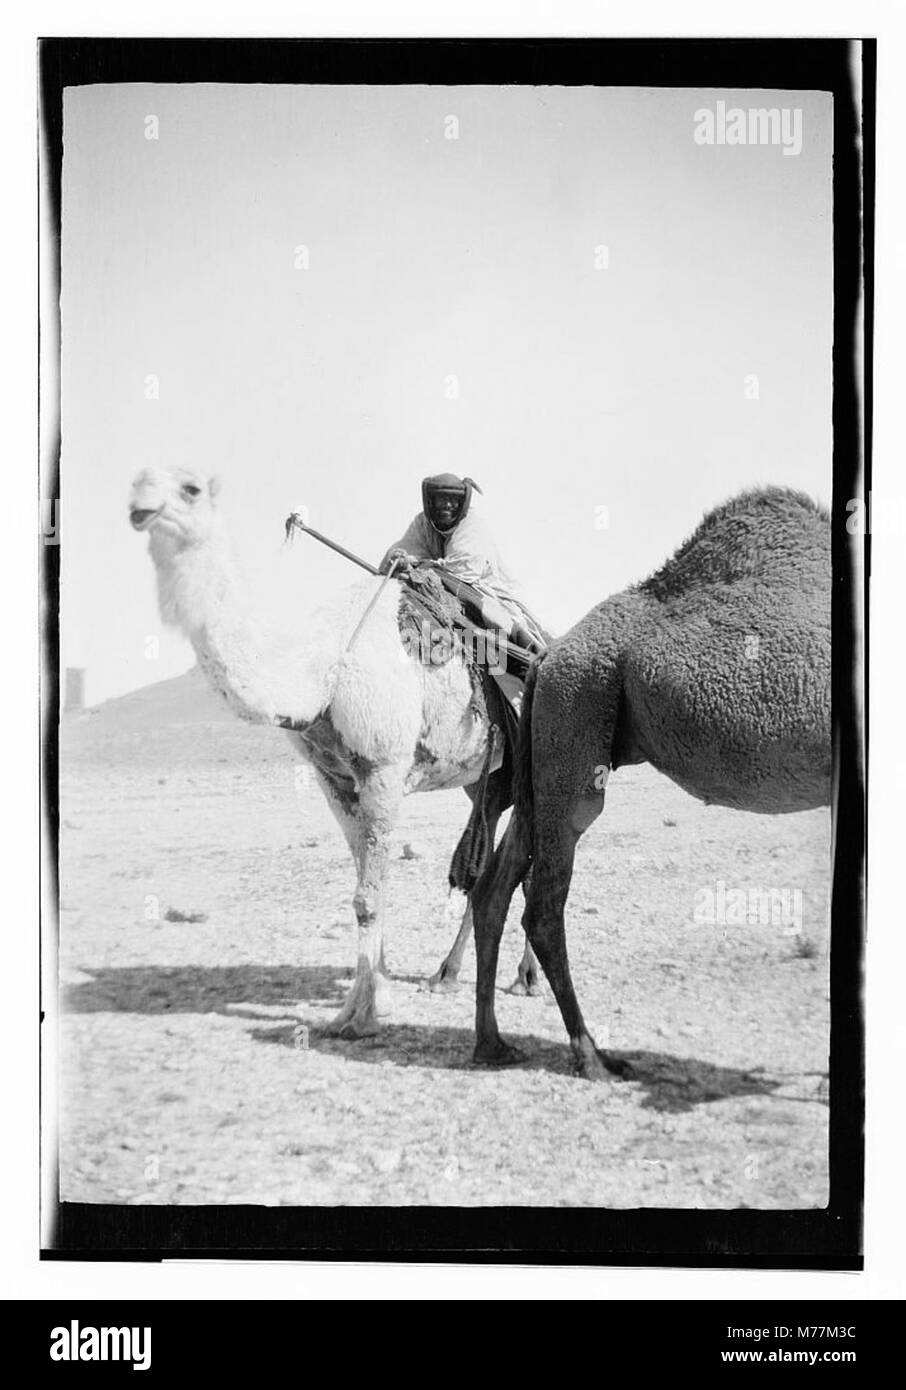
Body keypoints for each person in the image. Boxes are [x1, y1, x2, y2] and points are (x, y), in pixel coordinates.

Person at [379, 473, 549, 659]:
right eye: (442, 499)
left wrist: (417, 566)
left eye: (453, 500)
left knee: (502, 626)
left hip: (482, 592)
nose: (448, 505)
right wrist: (398, 559)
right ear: (430, 501)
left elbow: (461, 571)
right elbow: (404, 549)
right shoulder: (423, 523)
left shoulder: (472, 525)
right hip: (438, 586)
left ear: (463, 502)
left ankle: (528, 656)